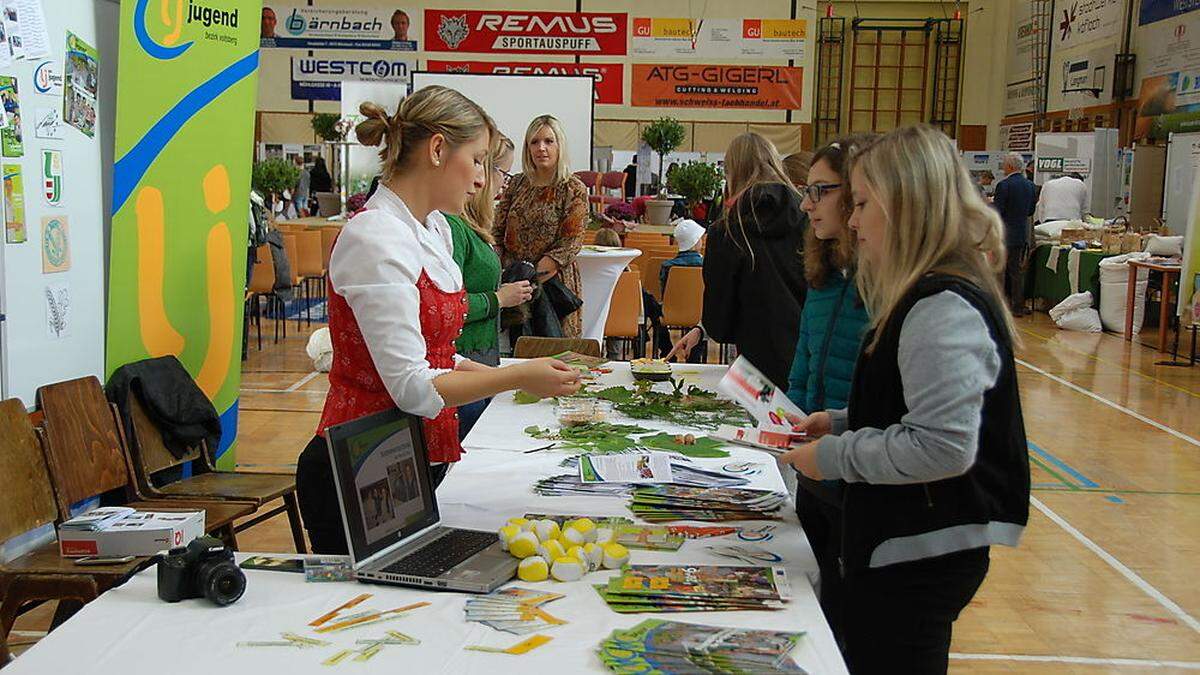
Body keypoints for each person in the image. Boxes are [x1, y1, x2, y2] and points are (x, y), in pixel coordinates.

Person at [780, 125, 1030, 673]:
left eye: (862, 204)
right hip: (904, 540)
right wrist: (843, 424)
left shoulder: (940, 306)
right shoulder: (921, 295)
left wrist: (833, 456)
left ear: (904, 207)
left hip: (922, 547)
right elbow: (912, 407)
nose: (851, 221)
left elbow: (942, 446)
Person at [295, 86, 582, 554]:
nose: (482, 180)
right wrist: (515, 377)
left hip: (404, 452)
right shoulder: (376, 237)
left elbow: (441, 354)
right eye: (478, 159)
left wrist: (515, 378)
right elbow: (414, 385)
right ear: (437, 150)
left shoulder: (432, 230)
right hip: (359, 463)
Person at [783, 135, 873, 637]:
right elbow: (803, 367)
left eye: (820, 191)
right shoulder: (822, 277)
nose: (806, 203)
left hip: (858, 478)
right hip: (817, 476)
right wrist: (784, 426)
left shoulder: (882, 285)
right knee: (819, 607)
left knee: (849, 618)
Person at [667, 132, 807, 386]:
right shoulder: (809, 219)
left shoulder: (728, 231)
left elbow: (719, 323)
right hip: (811, 357)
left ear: (731, 173)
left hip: (758, 369)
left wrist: (710, 326)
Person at [447, 135, 533, 440]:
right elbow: (445, 308)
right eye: (503, 174)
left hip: (480, 356)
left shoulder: (470, 226)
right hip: (464, 359)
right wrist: (499, 299)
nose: (503, 184)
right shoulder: (454, 228)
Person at [494, 115, 589, 337]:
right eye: (534, 142)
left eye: (548, 141)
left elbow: (569, 244)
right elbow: (498, 231)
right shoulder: (516, 184)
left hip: (553, 286)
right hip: (513, 288)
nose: (541, 148)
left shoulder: (573, 189)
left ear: (560, 145)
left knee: (554, 355)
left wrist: (528, 281)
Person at [992, 152, 1036, 315]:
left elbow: (997, 211)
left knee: (999, 271)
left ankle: (1000, 305)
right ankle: (1018, 305)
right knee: (1016, 271)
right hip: (1020, 233)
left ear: (1009, 166)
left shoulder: (1003, 186)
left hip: (1003, 234)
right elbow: (1031, 210)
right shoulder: (1030, 186)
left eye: (1004, 165)